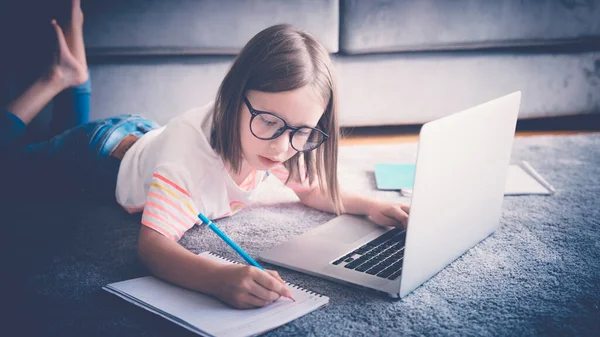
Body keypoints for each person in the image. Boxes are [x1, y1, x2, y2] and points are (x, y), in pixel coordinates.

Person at [2, 9, 411, 308]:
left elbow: (311, 191)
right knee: (11, 164)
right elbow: (153, 247)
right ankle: (54, 79)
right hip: (97, 155)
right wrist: (219, 278)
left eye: (301, 131)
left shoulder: (284, 137)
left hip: (143, 134)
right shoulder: (186, 166)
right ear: (234, 100)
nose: (284, 147)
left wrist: (372, 205)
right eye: (269, 122)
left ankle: (74, 76)